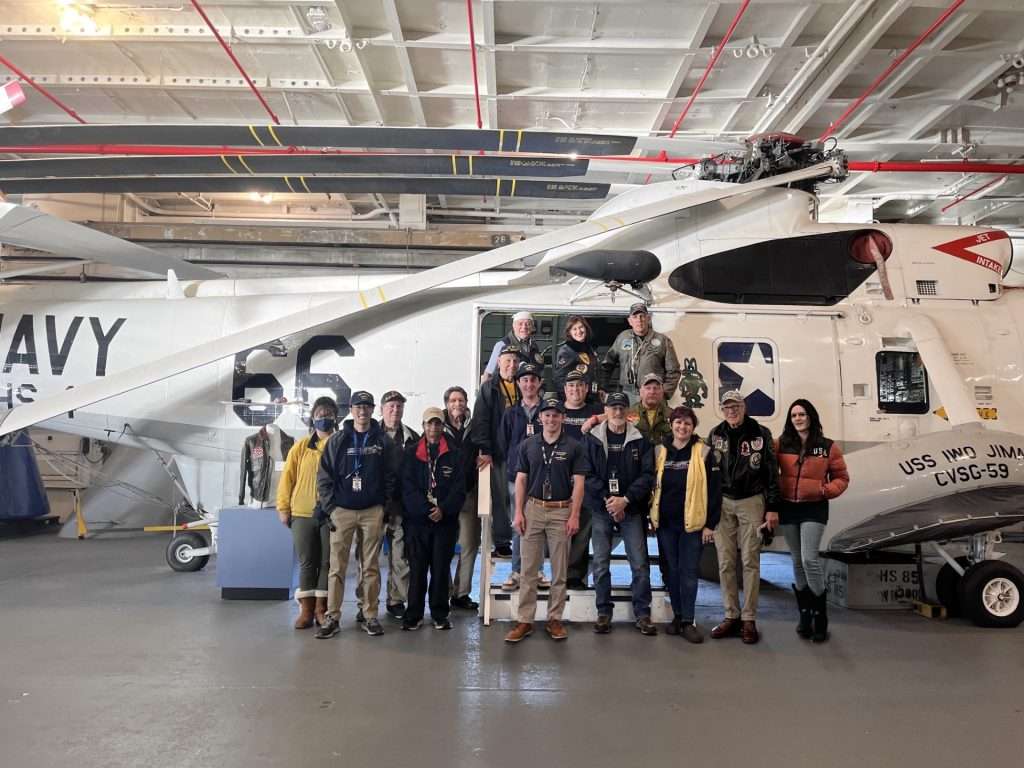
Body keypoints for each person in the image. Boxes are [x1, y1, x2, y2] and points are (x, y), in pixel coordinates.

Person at [315, 391, 400, 639]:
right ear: (351, 410)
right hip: (342, 511)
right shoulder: (338, 440)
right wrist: (331, 508)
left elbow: (391, 476)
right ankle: (332, 616)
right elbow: (324, 477)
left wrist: (383, 506)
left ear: (373, 410)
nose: (362, 411)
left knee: (371, 566)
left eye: (366, 406)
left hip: (372, 511)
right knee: (337, 567)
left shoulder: (382, 441)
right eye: (357, 407)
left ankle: (370, 614)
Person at [505, 397, 588, 643]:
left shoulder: (574, 447)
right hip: (533, 508)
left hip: (561, 511)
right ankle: (525, 620)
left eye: (556, 415)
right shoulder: (528, 445)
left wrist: (574, 515)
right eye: (547, 415)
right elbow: (520, 481)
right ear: (540, 418)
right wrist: (519, 512)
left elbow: (580, 484)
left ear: (563, 418)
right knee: (529, 569)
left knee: (560, 569)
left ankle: (554, 618)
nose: (551, 419)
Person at [707, 390, 781, 645]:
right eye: (727, 407)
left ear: (744, 406)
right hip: (723, 502)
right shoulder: (716, 434)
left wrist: (772, 507)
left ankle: (749, 619)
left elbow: (772, 472)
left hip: (751, 500)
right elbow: (709, 473)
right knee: (725, 562)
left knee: (750, 560)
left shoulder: (760, 434)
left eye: (736, 406)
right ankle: (731, 615)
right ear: (722, 409)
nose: (731, 411)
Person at [776, 399, 849, 643]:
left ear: (811, 416)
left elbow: (841, 477)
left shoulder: (827, 447)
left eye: (802, 414)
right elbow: (768, 470)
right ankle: (804, 615)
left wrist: (824, 490)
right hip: (788, 508)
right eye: (794, 415)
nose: (798, 418)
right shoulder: (781, 444)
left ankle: (820, 616)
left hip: (814, 509)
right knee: (796, 561)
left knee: (810, 559)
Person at [584, 392, 657, 636]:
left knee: (639, 564)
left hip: (632, 509)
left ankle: (643, 614)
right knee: (600, 563)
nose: (617, 413)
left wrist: (625, 500)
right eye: (613, 408)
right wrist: (609, 500)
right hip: (601, 508)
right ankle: (603, 612)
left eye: (621, 408)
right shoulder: (592, 439)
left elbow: (648, 475)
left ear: (628, 411)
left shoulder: (640, 439)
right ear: (606, 409)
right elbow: (587, 473)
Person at [650, 406, 722, 642]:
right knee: (670, 571)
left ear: (693, 427)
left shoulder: (703, 452)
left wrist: (710, 524)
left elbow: (714, 490)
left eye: (687, 424)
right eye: (678, 423)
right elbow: (652, 485)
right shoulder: (660, 451)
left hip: (693, 524)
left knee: (689, 572)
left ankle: (688, 620)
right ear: (671, 425)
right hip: (666, 524)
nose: (682, 427)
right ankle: (678, 615)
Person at [400, 407, 467, 631]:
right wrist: (427, 509)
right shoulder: (410, 453)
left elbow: (460, 489)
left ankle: (440, 614)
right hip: (418, 523)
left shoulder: (455, 454)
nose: (433, 428)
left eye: (438, 423)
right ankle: (414, 614)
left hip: (444, 523)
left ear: (442, 426)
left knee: (440, 569)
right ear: (423, 426)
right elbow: (407, 488)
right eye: (429, 424)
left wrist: (444, 510)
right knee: (417, 570)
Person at [275, 396, 338, 630]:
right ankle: (306, 611)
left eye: (328, 414)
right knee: (306, 562)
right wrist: (283, 507)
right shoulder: (301, 447)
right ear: (313, 417)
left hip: (330, 514)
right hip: (301, 513)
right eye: (320, 414)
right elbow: (287, 478)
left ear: (335, 418)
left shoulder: (339, 444)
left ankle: (322, 610)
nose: (324, 418)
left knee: (326, 562)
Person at [497, 361, 545, 593]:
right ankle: (517, 571)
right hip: (516, 476)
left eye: (533, 380)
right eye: (524, 380)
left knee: (541, 524)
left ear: (539, 383)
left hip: (544, 477)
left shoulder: (549, 411)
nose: (528, 384)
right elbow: (503, 444)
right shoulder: (510, 414)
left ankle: (537, 571)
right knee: (519, 523)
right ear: (518, 383)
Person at [471, 345, 520, 559]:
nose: (511, 365)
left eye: (515, 361)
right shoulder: (489, 388)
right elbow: (480, 420)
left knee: (521, 497)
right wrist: (485, 449)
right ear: (498, 362)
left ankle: (521, 536)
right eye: (507, 360)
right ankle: (502, 541)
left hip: (522, 453)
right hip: (500, 453)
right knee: (501, 498)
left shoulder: (524, 385)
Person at [377, 390, 419, 620]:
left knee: (400, 556)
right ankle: (368, 603)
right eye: (391, 406)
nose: (395, 410)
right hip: (374, 507)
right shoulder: (371, 435)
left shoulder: (412, 437)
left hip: (401, 507)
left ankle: (396, 600)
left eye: (399, 406)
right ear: (381, 409)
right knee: (369, 558)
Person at [561, 370, 602, 589]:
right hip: (558, 479)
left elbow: (625, 415)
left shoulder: (594, 410)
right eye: (571, 386)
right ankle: (558, 573)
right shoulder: (556, 411)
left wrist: (596, 419)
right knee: (557, 530)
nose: (575, 390)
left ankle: (574, 575)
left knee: (581, 528)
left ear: (586, 389)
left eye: (579, 386)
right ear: (565, 390)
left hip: (586, 480)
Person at [443, 386, 481, 611]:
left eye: (461, 400)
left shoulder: (475, 426)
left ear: (466, 403)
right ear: (447, 403)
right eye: (453, 400)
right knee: (444, 546)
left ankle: (461, 593)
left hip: (468, 493)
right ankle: (444, 590)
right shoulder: (436, 425)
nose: (457, 404)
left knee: (469, 544)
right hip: (445, 497)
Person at [602, 303, 681, 400]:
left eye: (642, 316)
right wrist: (603, 387)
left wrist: (664, 393)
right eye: (635, 317)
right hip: (627, 393)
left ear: (648, 318)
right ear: (630, 321)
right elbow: (607, 364)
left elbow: (674, 371)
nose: (639, 320)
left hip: (652, 393)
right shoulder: (622, 337)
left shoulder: (662, 340)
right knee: (628, 415)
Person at [481, 311, 545, 384]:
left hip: (527, 391)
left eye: (528, 324)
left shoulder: (533, 345)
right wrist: (483, 393)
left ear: (533, 327)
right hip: (506, 391)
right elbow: (489, 374)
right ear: (514, 326)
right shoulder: (502, 344)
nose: (524, 327)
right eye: (520, 324)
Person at [554, 315, 602, 400]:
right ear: (569, 332)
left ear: (586, 328)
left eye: (581, 327)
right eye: (574, 329)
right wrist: (569, 401)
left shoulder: (589, 348)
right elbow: (560, 380)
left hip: (592, 397)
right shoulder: (566, 351)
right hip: (575, 400)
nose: (579, 331)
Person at [629, 373, 672, 445]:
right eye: (648, 388)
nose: (652, 392)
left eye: (656, 388)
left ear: (662, 393)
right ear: (641, 392)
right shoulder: (629, 414)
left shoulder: (671, 415)